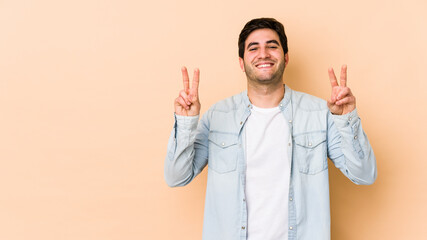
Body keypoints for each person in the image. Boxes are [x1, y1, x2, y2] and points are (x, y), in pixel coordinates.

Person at [164, 17, 377, 240]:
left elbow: (364, 175)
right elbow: (176, 177)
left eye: (272, 46)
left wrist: (346, 119)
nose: (263, 54)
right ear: (241, 62)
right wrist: (186, 122)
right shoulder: (217, 116)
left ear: (285, 57)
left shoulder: (319, 114)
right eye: (253, 48)